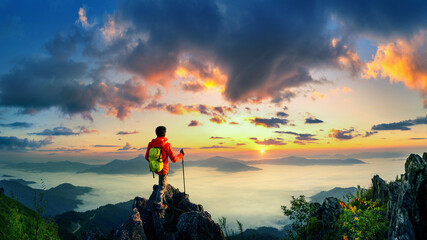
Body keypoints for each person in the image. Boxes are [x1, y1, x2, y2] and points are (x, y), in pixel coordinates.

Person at [145, 126, 184, 210]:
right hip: (163, 169)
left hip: (155, 168)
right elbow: (173, 159)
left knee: (162, 182)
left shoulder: (151, 144)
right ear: (165, 133)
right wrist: (181, 155)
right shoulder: (167, 145)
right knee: (162, 187)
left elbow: (146, 157)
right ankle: (159, 204)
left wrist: (155, 164)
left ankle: (161, 188)